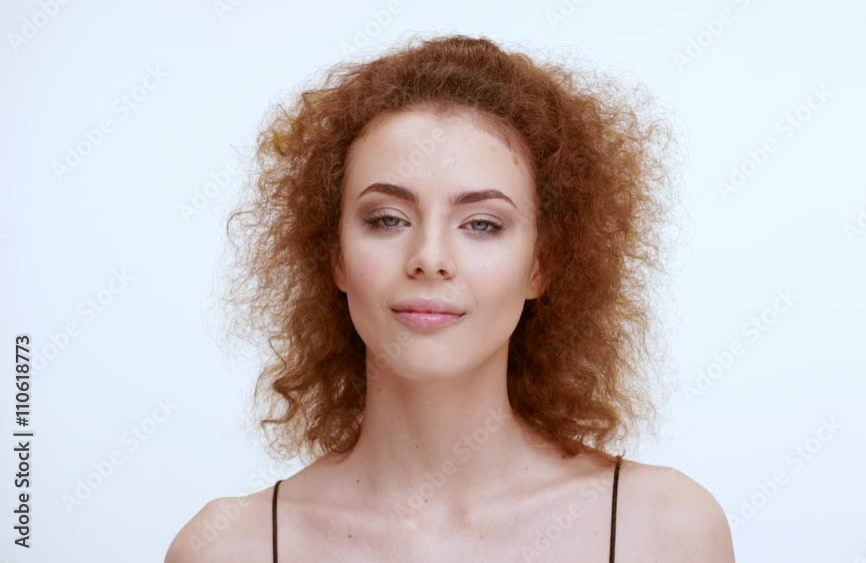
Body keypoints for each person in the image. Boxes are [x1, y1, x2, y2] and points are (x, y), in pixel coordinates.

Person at [165, 33, 734, 563]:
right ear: (334, 254)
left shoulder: (662, 530)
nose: (430, 257)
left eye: (482, 224)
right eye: (388, 219)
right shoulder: (227, 547)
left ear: (541, 265)